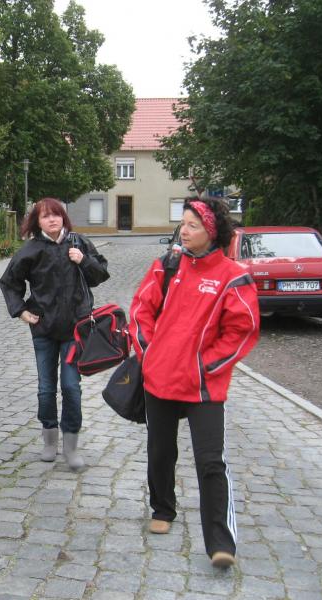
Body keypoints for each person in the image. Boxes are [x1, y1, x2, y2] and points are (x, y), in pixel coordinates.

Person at [130, 197, 260, 568]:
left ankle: (221, 542)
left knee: (210, 460)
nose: (184, 231)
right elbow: (141, 310)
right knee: (160, 450)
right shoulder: (167, 265)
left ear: (212, 232)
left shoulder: (233, 276)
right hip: (160, 379)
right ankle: (162, 509)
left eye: (193, 225)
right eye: (183, 223)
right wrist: (150, 354)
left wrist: (204, 367)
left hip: (204, 385)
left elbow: (241, 330)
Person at [0, 198, 109, 469]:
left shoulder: (78, 243)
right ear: (37, 221)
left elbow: (100, 274)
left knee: (71, 387)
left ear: (63, 218)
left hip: (75, 329)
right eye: (46, 216)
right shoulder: (31, 249)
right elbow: (9, 282)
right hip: (44, 330)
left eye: (56, 215)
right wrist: (21, 311)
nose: (52, 220)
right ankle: (49, 439)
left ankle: (71, 444)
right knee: (46, 389)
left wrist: (83, 261)